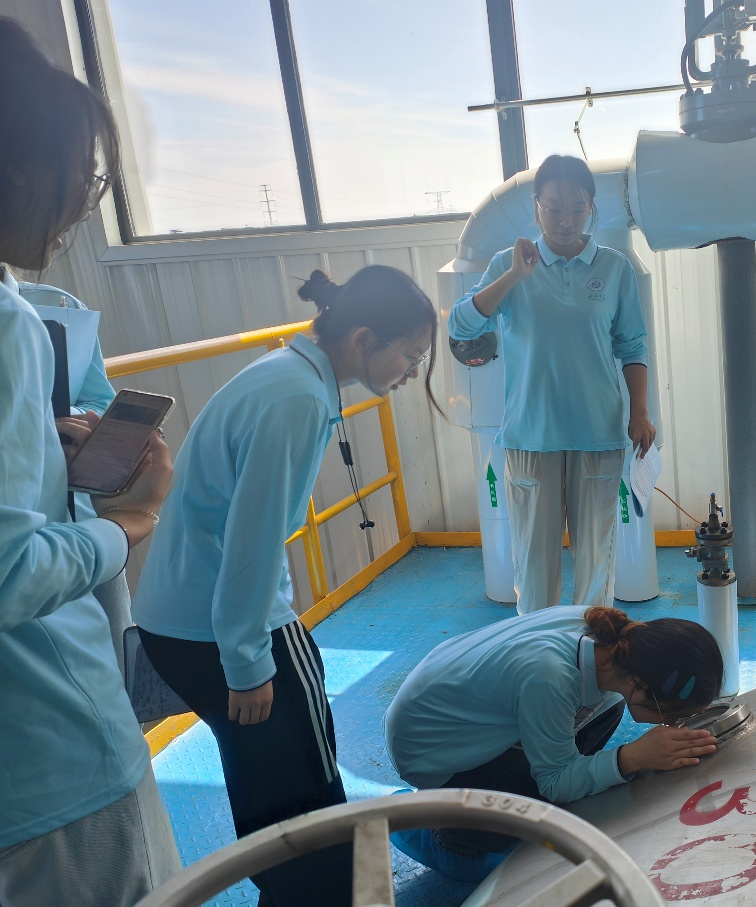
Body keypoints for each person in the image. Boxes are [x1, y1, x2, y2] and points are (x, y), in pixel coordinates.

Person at [132, 265, 439, 907]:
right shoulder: (298, 399)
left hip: (178, 618)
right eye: (410, 356)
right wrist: (248, 662)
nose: (413, 372)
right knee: (308, 797)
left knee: (264, 783)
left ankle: (286, 894)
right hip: (225, 628)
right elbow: (253, 541)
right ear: (363, 339)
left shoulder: (284, 376)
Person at [0, 17, 181, 906]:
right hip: (55, 752)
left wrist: (49, 455)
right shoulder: (12, 322)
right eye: (85, 175)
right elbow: (8, 569)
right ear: (19, 169)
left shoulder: (39, 309)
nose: (82, 206)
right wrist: (128, 523)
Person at [449, 154, 655, 615]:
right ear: (536, 207)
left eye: (578, 209)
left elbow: (633, 345)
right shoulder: (508, 265)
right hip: (531, 437)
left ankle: (590, 653)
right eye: (554, 208)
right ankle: (537, 651)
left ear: (591, 207)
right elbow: (461, 327)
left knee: (595, 568)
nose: (566, 220)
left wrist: (639, 411)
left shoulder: (614, 268)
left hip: (597, 435)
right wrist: (514, 276)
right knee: (534, 569)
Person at [383, 605, 723, 881]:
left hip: (470, 714)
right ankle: (436, 831)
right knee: (535, 814)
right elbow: (555, 783)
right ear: (641, 685)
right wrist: (630, 758)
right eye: (672, 713)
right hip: (430, 751)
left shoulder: (613, 640)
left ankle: (541, 776)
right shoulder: (550, 676)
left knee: (610, 707)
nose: (671, 723)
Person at [20, 278, 132, 674]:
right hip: (23, 531)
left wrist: (66, 422)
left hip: (81, 515)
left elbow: (100, 398)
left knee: (116, 652)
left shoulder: (55, 302)